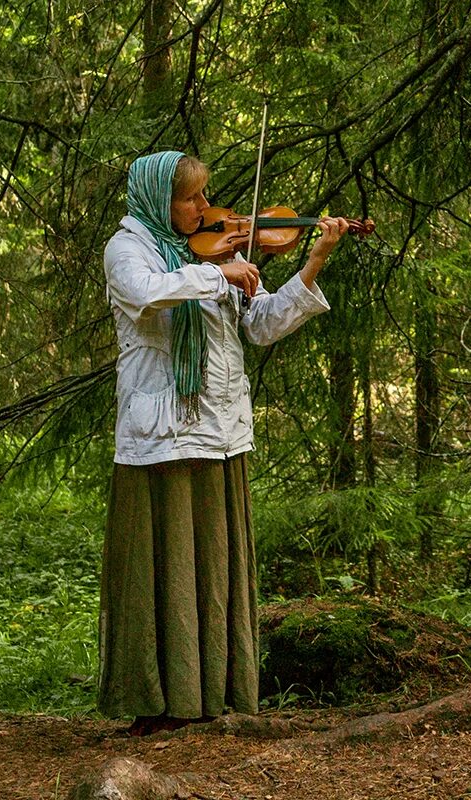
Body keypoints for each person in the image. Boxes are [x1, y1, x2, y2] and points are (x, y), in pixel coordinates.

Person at [97, 150, 350, 736]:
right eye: (191, 199)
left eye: (205, 196)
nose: (206, 209)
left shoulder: (216, 251)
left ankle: (210, 697)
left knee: (210, 568)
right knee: (160, 569)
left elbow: (259, 325)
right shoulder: (127, 248)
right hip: (159, 439)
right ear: (161, 200)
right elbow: (146, 294)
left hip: (219, 432)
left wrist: (311, 263)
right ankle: (157, 704)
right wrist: (219, 272)